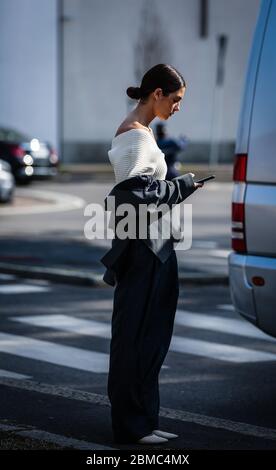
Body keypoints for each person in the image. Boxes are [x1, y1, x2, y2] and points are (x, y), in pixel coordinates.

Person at [102, 64, 203, 445]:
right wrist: (182, 187)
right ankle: (131, 426)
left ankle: (144, 420)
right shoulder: (135, 137)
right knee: (136, 337)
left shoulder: (141, 133)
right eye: (175, 100)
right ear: (157, 94)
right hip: (143, 247)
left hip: (154, 245)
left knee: (152, 337)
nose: (178, 107)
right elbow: (132, 197)